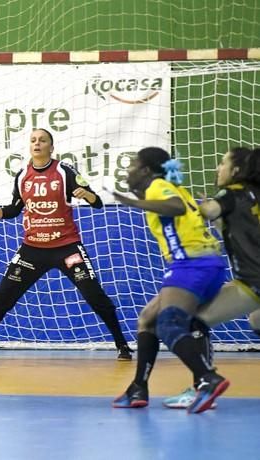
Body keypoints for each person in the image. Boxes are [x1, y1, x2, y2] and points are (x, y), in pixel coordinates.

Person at [0, 128, 132, 361]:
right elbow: (14, 209)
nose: (37, 143)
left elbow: (97, 203)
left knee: (94, 295)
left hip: (67, 248)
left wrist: (88, 196)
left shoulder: (64, 172)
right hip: (32, 250)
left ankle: (122, 345)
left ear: (51, 147)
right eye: (33, 140)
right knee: (2, 297)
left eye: (42, 140)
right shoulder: (22, 176)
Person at [111, 147, 229, 414]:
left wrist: (135, 202)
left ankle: (207, 379)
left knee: (169, 324)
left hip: (191, 264)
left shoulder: (158, 186)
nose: (128, 170)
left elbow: (175, 208)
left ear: (146, 170)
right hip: (207, 264)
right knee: (148, 318)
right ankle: (138, 387)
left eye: (133, 165)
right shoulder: (172, 187)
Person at [163, 146, 260, 409]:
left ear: (237, 170)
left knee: (195, 320)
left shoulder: (232, 193)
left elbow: (206, 211)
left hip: (253, 282)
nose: (218, 168)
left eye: (223, 163)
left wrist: (176, 195)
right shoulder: (254, 196)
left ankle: (204, 386)